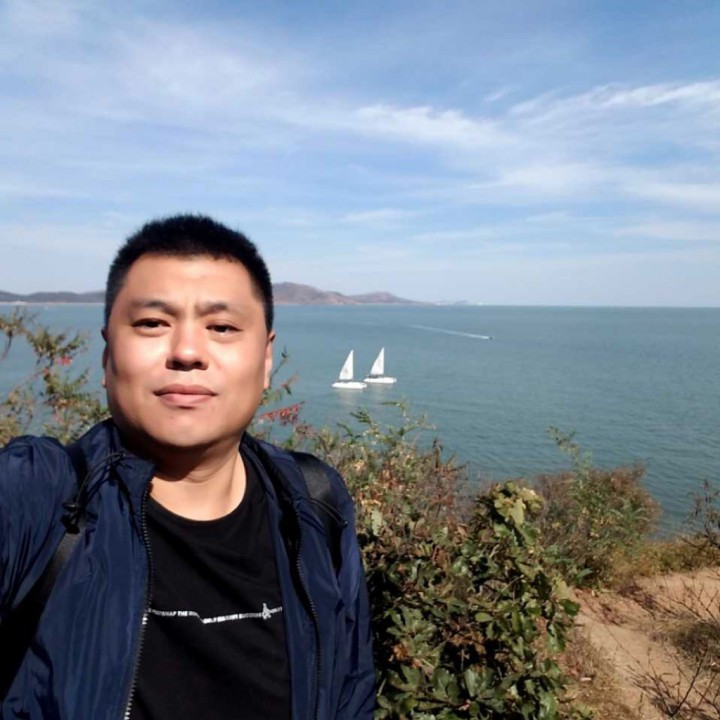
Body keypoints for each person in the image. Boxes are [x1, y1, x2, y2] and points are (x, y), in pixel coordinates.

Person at [0, 215, 375, 720]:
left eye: (222, 328)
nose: (187, 352)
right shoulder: (39, 495)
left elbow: (350, 691)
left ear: (266, 359)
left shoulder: (313, 503)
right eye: (152, 324)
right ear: (108, 354)